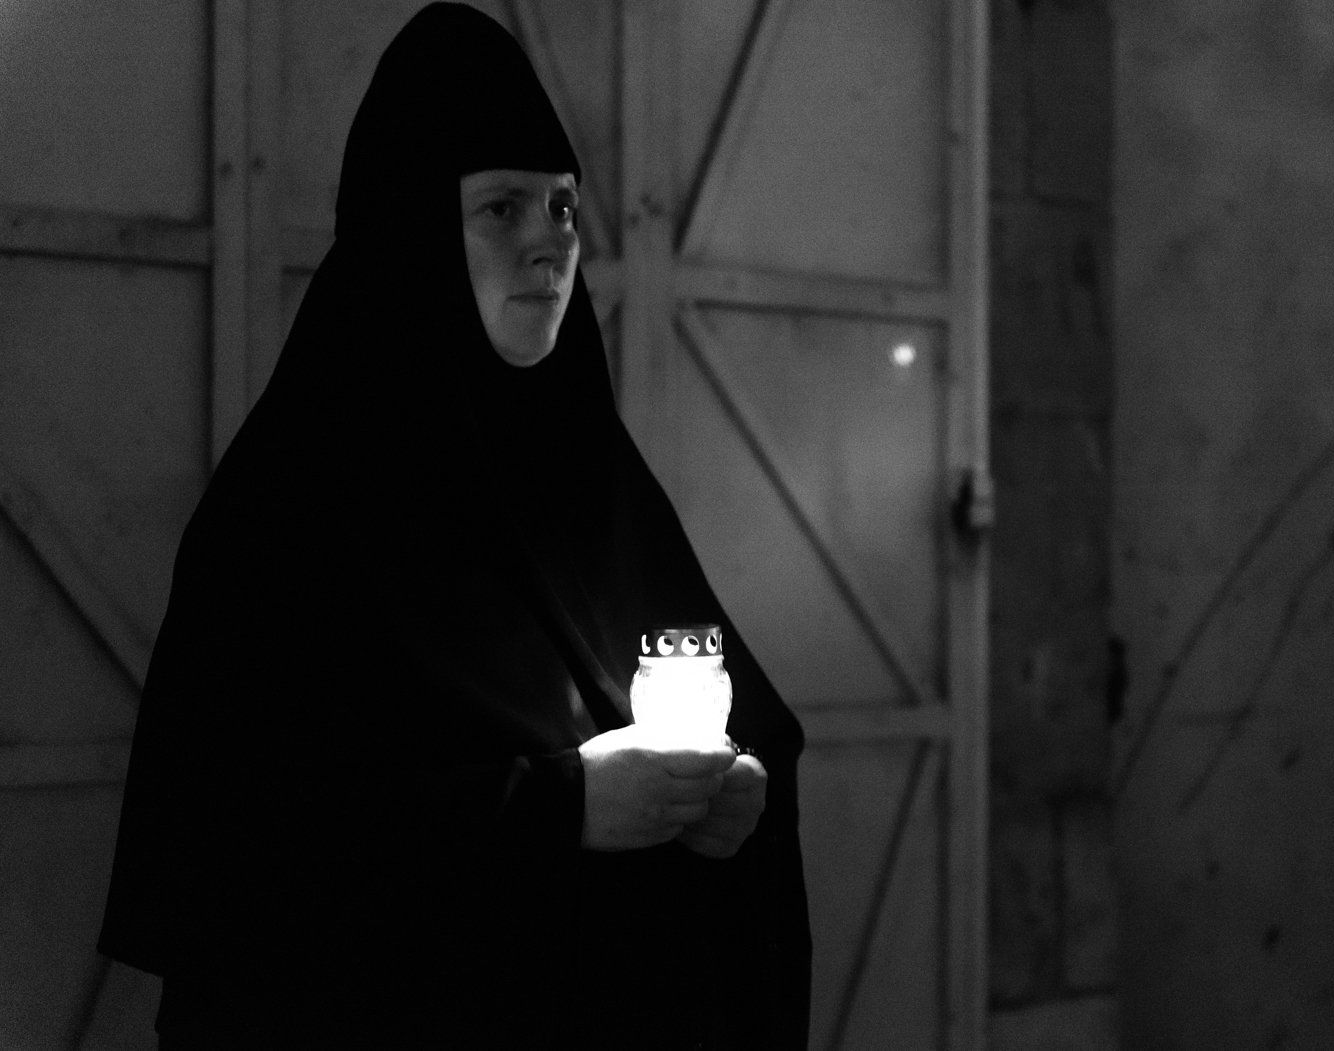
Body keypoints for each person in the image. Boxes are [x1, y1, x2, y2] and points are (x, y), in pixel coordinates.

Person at [96, 4, 811, 1046]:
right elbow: (248, 847)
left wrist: (734, 786)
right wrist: (559, 809)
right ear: (413, 232)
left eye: (563, 208)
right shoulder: (292, 507)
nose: (549, 246)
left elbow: (749, 718)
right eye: (502, 209)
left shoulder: (591, 479)